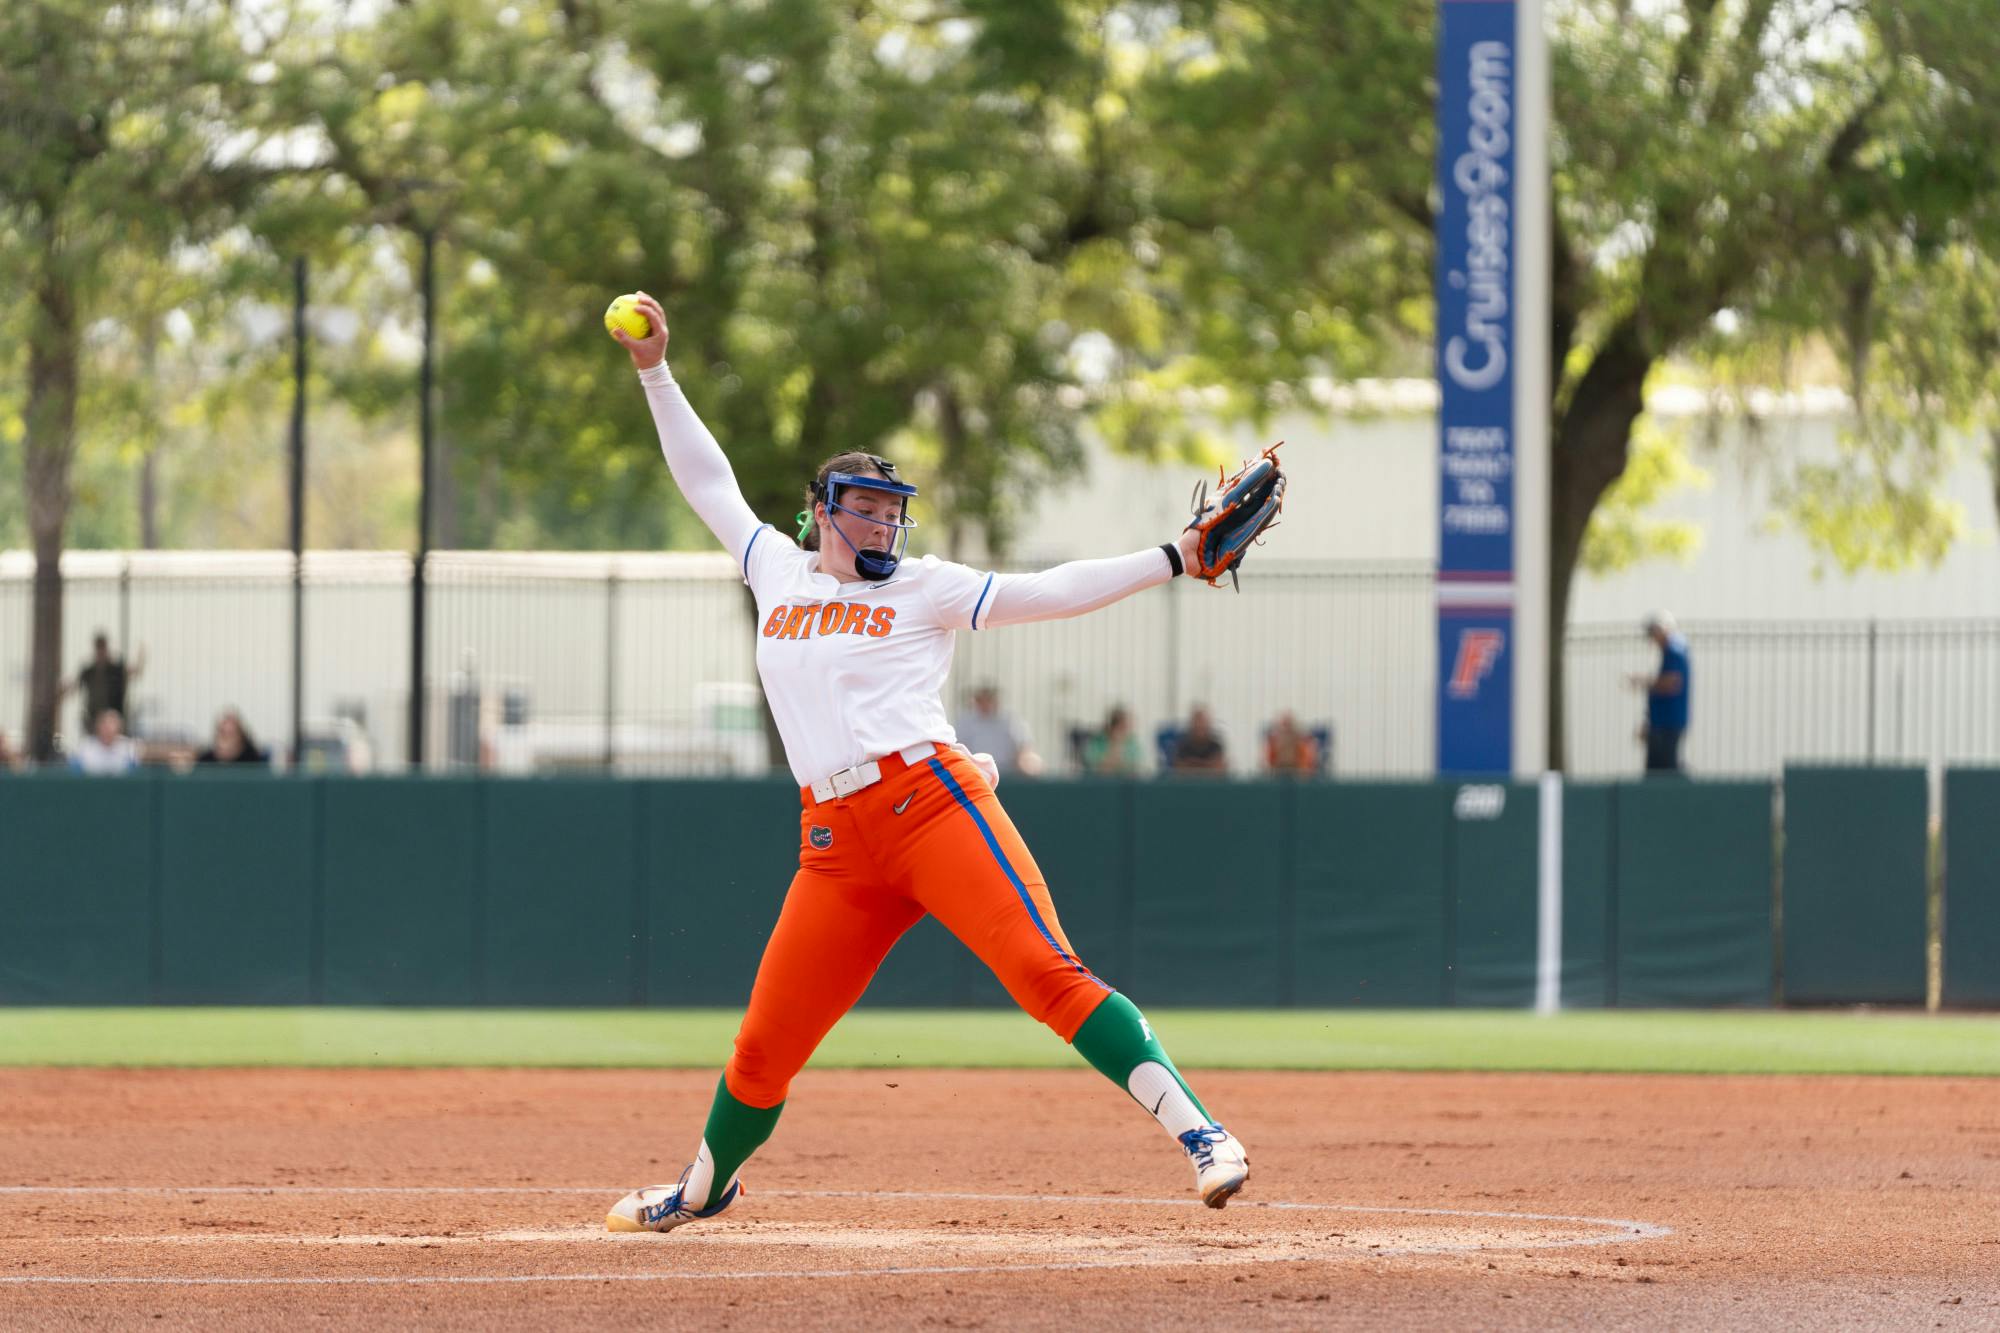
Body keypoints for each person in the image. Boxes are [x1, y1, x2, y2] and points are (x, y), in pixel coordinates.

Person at [603, 292, 1249, 1234]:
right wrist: (656, 371)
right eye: (862, 511)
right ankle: (705, 1186)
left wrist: (1174, 556)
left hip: (930, 803)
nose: (881, 527)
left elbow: (1049, 591)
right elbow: (709, 482)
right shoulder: (775, 569)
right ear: (820, 514)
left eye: (890, 513)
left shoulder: (923, 586)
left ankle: (1203, 1135)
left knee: (1047, 974)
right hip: (834, 845)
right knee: (764, 1047)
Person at [1630, 610, 1691, 775]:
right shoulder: (1670, 652)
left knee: (1664, 770)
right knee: (1657, 769)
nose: (1651, 638)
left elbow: (1672, 683)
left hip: (1667, 723)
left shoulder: (1675, 651)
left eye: (1653, 632)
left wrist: (1642, 681)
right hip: (1659, 723)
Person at [62, 633, 145, 736]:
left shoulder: (116, 669)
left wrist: (141, 657)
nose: (101, 651)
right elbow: (74, 687)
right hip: (93, 720)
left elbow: (134, 672)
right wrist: (65, 689)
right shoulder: (88, 671)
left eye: (103, 647)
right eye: (99, 648)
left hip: (114, 720)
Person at [952, 683, 1043, 778]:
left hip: (1007, 773)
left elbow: (1024, 747)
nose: (985, 703)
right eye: (981, 700)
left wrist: (1027, 761)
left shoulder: (1010, 720)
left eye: (989, 699)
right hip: (974, 772)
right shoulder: (965, 721)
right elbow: (956, 747)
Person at [67, 708, 140, 776]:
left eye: (112, 724)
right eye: (103, 723)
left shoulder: (128, 747)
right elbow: (75, 770)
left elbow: (135, 771)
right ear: (97, 727)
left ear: (119, 728)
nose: (107, 729)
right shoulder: (85, 746)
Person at [1082, 705, 1143, 776]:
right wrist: (1115, 744)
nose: (1128, 730)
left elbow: (1136, 766)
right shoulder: (1097, 741)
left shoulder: (1132, 742)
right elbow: (1094, 765)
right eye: (1122, 727)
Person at [1169, 704, 1228, 776]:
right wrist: (1207, 765)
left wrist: (1192, 764)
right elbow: (1179, 768)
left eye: (1202, 722)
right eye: (1197, 722)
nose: (1199, 725)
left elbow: (1219, 768)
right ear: (1192, 724)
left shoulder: (1216, 745)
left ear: (1208, 724)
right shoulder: (1182, 744)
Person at [196, 710, 269, 766]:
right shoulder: (205, 761)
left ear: (240, 738)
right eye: (222, 733)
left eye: (230, 734)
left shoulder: (252, 761)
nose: (225, 739)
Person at [1264, 711, 1322, 777]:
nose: (1286, 726)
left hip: (1295, 769)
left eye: (1288, 723)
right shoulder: (1275, 738)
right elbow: (1270, 755)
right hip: (1279, 768)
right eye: (1284, 723)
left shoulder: (1298, 737)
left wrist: (1303, 769)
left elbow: (1305, 754)